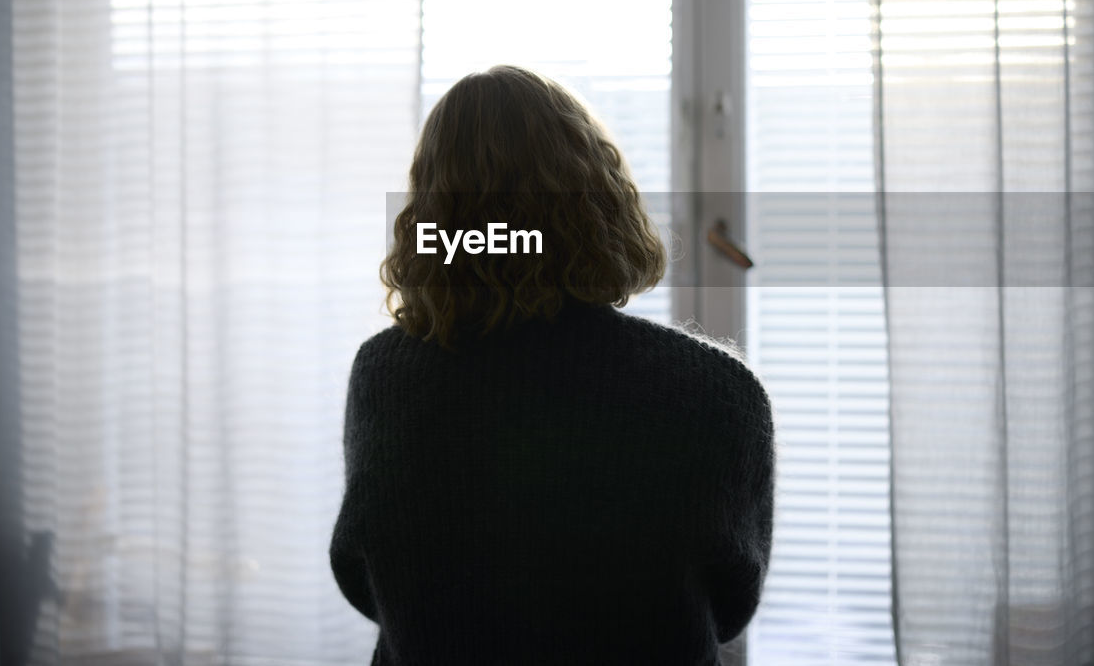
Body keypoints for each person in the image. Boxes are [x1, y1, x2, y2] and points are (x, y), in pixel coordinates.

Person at [329, 64, 775, 665]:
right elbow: (728, 606)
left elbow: (369, 580)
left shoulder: (384, 375)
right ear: (602, 204)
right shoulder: (717, 391)